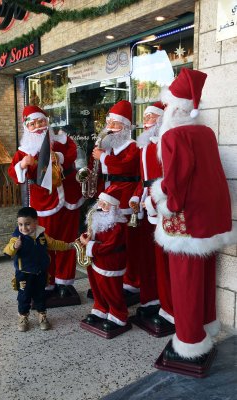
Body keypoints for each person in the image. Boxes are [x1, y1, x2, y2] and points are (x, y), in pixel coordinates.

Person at [150, 67, 235, 371]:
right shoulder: (205, 132)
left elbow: (177, 181)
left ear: (174, 106)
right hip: (210, 218)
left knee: (185, 281)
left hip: (186, 219)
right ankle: (206, 327)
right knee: (204, 276)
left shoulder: (174, 134)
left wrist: (161, 199)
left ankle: (188, 342)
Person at [8, 106, 84, 306]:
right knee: (45, 243)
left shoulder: (61, 140)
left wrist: (57, 157)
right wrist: (23, 165)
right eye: (32, 124)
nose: (38, 127)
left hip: (69, 197)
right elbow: (14, 174)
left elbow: (73, 152)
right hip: (44, 202)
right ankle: (48, 282)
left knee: (68, 241)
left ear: (47, 122)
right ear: (27, 127)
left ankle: (65, 282)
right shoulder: (23, 151)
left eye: (41, 122)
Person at [129, 101, 174, 333]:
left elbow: (170, 179)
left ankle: (170, 310)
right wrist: (137, 197)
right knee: (149, 259)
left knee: (164, 261)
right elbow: (142, 179)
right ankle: (151, 301)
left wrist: (154, 202)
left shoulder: (165, 144)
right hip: (147, 208)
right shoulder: (144, 146)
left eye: (151, 116)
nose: (146, 120)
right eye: (145, 116)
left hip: (162, 208)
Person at [92, 100, 141, 299]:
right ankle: (115, 277)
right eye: (109, 124)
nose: (110, 129)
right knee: (113, 239)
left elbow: (125, 167)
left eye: (115, 124)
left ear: (126, 127)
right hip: (110, 196)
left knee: (127, 241)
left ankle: (131, 281)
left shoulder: (132, 147)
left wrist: (103, 157)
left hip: (125, 197)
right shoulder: (111, 148)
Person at [3, 207, 74, 332]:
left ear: (35, 222)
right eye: (20, 224)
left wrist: (69, 245)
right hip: (24, 275)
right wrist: (14, 246)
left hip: (40, 273)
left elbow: (54, 243)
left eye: (27, 224)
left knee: (40, 295)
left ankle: (42, 315)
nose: (23, 228)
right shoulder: (17, 238)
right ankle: (23, 317)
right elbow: (7, 251)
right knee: (24, 296)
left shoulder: (42, 235)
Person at [80, 187, 129, 332]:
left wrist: (89, 245)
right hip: (97, 259)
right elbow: (93, 232)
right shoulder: (97, 216)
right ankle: (101, 309)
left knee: (111, 289)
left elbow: (110, 245)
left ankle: (118, 316)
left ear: (113, 207)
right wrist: (87, 237)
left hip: (110, 262)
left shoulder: (118, 224)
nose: (101, 206)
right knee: (97, 286)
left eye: (105, 204)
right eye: (100, 202)